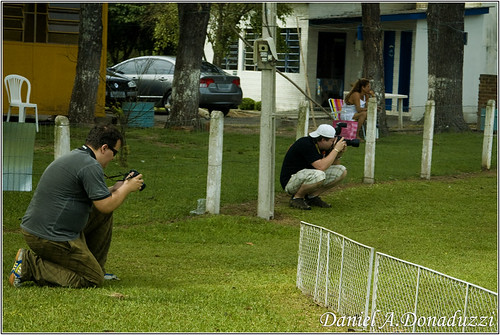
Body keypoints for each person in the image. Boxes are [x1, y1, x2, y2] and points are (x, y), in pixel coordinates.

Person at [8, 124, 144, 288]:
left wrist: (116, 188)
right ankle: (30, 265)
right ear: (104, 148)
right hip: (48, 236)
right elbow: (106, 205)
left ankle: (95, 266)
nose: (113, 158)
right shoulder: (90, 165)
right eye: (113, 152)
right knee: (92, 279)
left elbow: (97, 199)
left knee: (103, 213)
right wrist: (127, 188)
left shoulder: (79, 157)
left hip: (41, 229)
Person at [280, 124, 347, 210]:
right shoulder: (306, 143)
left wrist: (338, 153)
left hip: (306, 176)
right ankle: (297, 198)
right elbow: (321, 167)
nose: (332, 144)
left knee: (341, 171)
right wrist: (336, 149)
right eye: (331, 141)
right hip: (290, 181)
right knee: (319, 175)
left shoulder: (322, 146)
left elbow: (334, 164)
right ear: (323, 139)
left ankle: (312, 197)